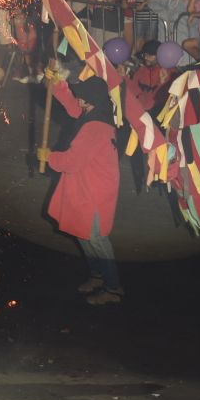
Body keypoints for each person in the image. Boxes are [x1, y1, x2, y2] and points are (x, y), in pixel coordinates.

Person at [38, 73, 124, 305]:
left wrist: (49, 157)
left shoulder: (95, 126)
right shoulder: (94, 112)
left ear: (91, 100)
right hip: (86, 184)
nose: (79, 99)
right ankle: (98, 276)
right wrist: (58, 84)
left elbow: (72, 161)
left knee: (96, 238)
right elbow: (72, 105)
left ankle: (113, 288)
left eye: (82, 96)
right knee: (84, 234)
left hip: (95, 191)